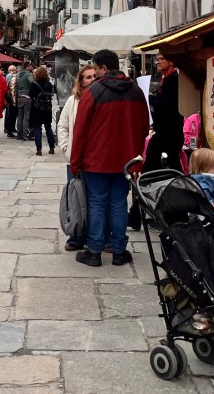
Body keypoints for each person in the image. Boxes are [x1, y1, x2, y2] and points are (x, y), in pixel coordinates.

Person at [70, 49, 148, 267]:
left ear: (103, 68)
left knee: (96, 202)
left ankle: (94, 251)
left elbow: (80, 131)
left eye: (95, 69)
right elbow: (144, 127)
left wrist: (76, 162)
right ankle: (119, 251)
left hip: (97, 159)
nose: (94, 73)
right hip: (126, 161)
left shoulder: (93, 91)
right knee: (119, 203)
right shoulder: (136, 91)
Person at [57, 64, 97, 251]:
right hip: (75, 158)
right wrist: (66, 148)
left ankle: (94, 236)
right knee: (76, 198)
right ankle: (76, 236)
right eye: (88, 77)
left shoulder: (102, 99)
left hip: (95, 158)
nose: (92, 80)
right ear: (81, 81)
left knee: (94, 199)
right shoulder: (73, 101)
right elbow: (62, 126)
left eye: (94, 76)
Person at [146, 52, 186, 171]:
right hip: (166, 133)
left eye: (161, 59)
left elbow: (164, 105)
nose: (157, 62)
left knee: (161, 167)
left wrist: (149, 99)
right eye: (157, 59)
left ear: (171, 62)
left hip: (169, 134)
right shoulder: (167, 79)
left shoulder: (173, 79)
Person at [190, 148, 214, 213]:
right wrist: (212, 205)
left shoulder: (193, 178)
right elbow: (202, 190)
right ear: (208, 169)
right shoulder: (207, 179)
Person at [30, 65, 57, 156]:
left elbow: (30, 95)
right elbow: (52, 94)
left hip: (36, 108)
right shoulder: (48, 84)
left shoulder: (34, 84)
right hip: (47, 109)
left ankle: (39, 149)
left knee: (37, 128)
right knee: (48, 127)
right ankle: (52, 148)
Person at [15, 62, 35, 141]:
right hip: (27, 97)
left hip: (20, 97)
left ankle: (19, 134)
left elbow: (15, 86)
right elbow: (32, 82)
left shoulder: (18, 75)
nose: (31, 67)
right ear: (27, 66)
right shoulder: (28, 74)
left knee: (20, 117)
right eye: (30, 66)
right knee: (26, 117)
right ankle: (25, 135)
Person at [4, 65, 18, 137]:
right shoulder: (11, 76)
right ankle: (9, 128)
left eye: (13, 70)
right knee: (10, 113)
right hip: (10, 96)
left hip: (9, 96)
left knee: (11, 113)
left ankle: (10, 128)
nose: (12, 72)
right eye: (10, 70)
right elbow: (10, 87)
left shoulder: (8, 76)